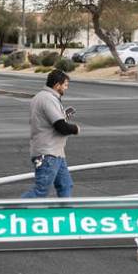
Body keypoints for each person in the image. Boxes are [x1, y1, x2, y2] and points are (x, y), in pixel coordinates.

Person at [23, 69, 79, 198]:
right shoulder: (48, 99)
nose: (66, 88)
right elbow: (60, 126)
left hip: (56, 153)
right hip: (48, 154)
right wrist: (75, 128)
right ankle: (9, 214)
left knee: (66, 185)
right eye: (65, 85)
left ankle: (65, 215)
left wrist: (64, 116)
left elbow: (52, 121)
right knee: (40, 191)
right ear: (57, 85)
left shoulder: (42, 97)